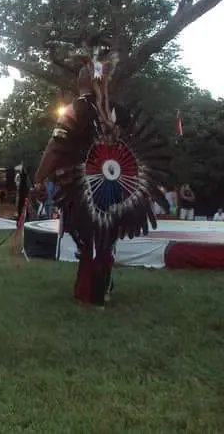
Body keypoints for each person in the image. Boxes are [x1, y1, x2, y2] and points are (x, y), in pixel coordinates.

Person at [32, 36, 170, 307]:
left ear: (80, 82)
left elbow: (55, 147)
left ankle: (90, 292)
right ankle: (101, 287)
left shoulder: (75, 109)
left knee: (88, 238)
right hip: (119, 188)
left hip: (82, 188)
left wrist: (39, 179)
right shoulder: (121, 112)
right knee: (105, 236)